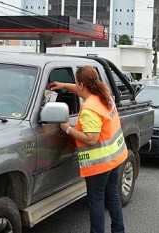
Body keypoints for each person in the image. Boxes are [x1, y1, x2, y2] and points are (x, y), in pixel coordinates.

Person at [48, 66, 127, 233]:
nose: (76, 86)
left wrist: (67, 128)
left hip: (100, 163)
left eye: (76, 83)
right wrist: (63, 85)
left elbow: (92, 139)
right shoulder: (103, 93)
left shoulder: (89, 109)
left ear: (82, 85)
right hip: (115, 157)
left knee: (96, 200)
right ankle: (119, 230)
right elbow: (80, 89)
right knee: (112, 193)